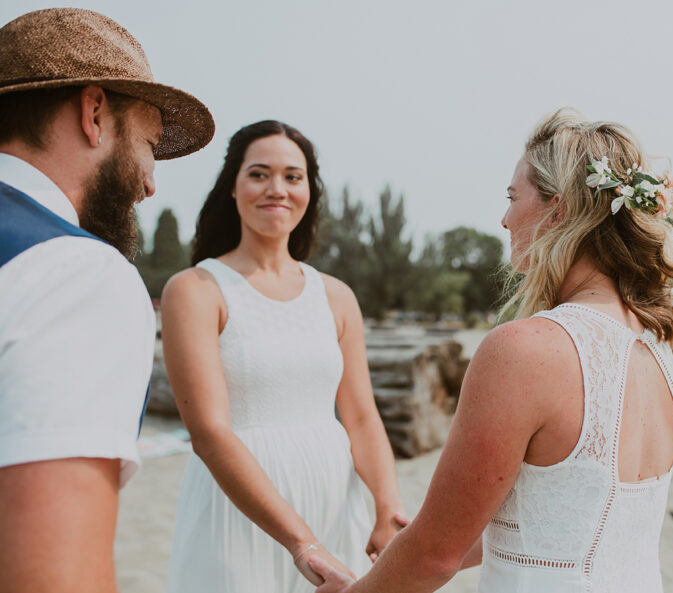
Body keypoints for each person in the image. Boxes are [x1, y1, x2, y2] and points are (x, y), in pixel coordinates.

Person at [312, 108, 673, 593]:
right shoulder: (655, 347)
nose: (504, 219)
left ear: (560, 209)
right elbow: (560, 518)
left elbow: (435, 557)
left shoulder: (525, 350)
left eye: (513, 197)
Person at [0, 8, 214, 593]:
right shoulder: (75, 272)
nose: (150, 184)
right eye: (148, 144)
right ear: (94, 114)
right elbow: (54, 577)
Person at [162, 120, 405, 593]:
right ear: (232, 187)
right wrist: (302, 542)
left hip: (335, 499)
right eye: (259, 174)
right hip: (239, 510)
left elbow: (361, 417)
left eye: (293, 177)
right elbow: (209, 432)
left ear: (309, 192)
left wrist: (386, 509)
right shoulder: (195, 290)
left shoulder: (336, 296)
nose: (277, 189)